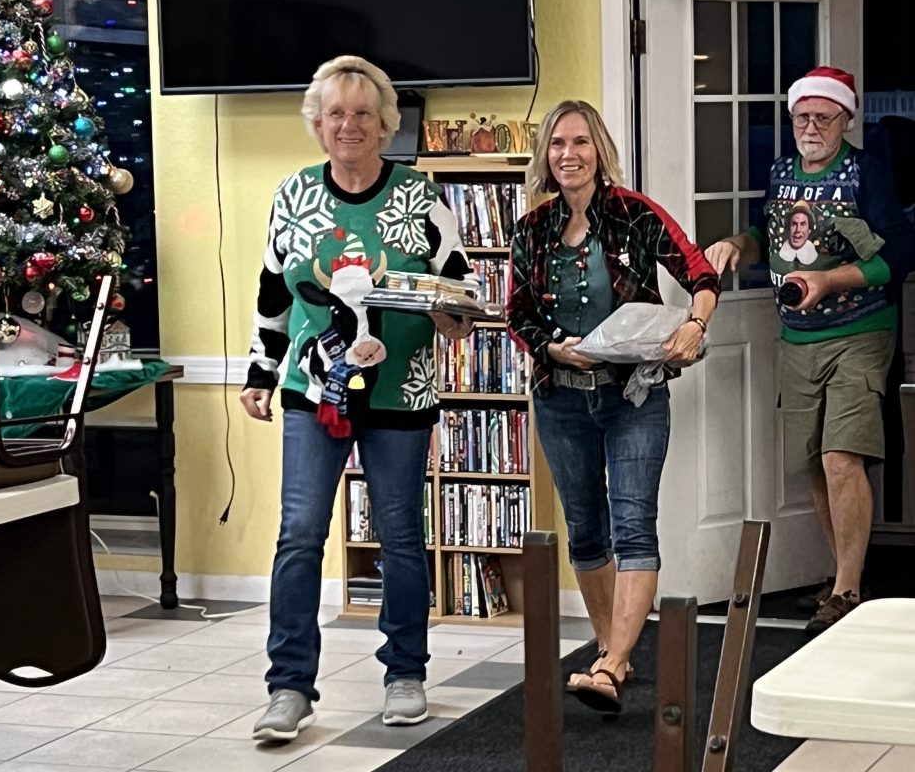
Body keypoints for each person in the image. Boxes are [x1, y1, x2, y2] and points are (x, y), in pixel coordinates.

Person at [241, 55, 475, 741]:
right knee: (299, 534)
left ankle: (406, 674)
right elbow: (273, 290)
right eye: (336, 114)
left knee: (400, 535)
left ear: (384, 125)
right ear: (318, 125)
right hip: (313, 390)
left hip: (401, 393)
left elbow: (459, 289)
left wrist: (453, 315)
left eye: (364, 114)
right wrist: (260, 372)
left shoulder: (421, 195)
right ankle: (289, 688)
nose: (350, 125)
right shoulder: (292, 195)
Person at [507, 99, 718, 713]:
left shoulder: (634, 212)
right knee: (585, 527)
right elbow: (517, 313)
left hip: (634, 395)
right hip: (560, 397)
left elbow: (701, 274)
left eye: (580, 142)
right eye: (556, 144)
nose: (568, 154)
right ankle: (610, 653)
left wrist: (696, 325)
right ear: (545, 155)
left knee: (633, 522)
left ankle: (613, 662)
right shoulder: (531, 228)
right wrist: (552, 349)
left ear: (599, 149)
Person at [705, 66, 915, 634]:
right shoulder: (780, 172)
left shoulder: (865, 172)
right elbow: (766, 234)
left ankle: (846, 589)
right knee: (816, 466)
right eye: (802, 117)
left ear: (846, 119)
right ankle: (847, 575)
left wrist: (830, 280)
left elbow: (899, 252)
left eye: (824, 117)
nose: (812, 127)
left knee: (842, 457)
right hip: (797, 338)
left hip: (860, 331)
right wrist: (738, 244)